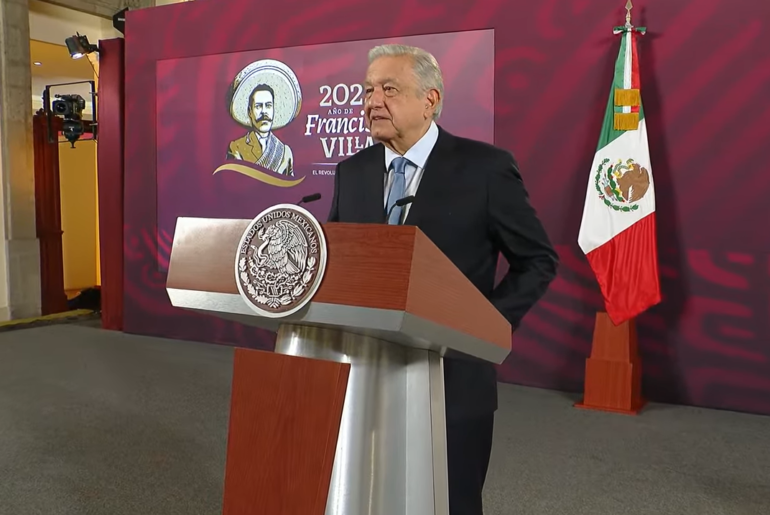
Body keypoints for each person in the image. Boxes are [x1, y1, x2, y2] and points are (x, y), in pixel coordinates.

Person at [327, 44, 559, 514]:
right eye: (368, 91)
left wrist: (482, 327)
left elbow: (537, 260)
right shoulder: (352, 172)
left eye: (389, 89)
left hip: (451, 382)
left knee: (449, 502)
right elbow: (339, 263)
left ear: (430, 100)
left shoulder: (486, 169)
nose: (373, 102)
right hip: (364, 379)